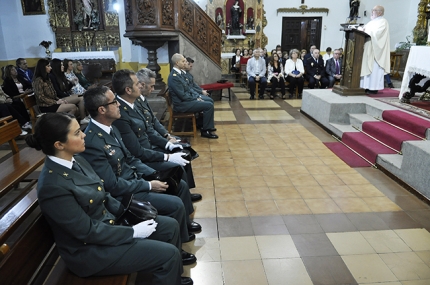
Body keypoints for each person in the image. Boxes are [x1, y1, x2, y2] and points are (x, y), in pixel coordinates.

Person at [25, 112, 192, 285]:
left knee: (170, 226)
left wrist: (130, 215)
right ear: (59, 144)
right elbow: (87, 232)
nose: (84, 134)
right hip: (90, 252)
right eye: (76, 133)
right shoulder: (53, 186)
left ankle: (171, 278)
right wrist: (132, 232)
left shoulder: (78, 160)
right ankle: (166, 272)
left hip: (109, 228)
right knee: (168, 255)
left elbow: (103, 195)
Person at [81, 86, 198, 265]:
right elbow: (113, 185)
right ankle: (175, 251)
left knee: (178, 183)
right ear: (102, 109)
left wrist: (153, 175)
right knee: (174, 204)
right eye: (114, 102)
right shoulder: (93, 141)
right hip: (125, 193)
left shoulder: (110, 128)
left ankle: (181, 235)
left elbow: (130, 158)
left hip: (135, 179)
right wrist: (149, 185)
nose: (118, 104)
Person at [111, 69, 200, 199]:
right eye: (137, 84)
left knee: (183, 152)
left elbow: (149, 128)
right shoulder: (122, 113)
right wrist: (167, 156)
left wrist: (167, 142)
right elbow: (137, 151)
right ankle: (182, 196)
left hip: (148, 148)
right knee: (177, 165)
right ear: (128, 90)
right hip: (143, 156)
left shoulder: (133, 104)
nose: (140, 86)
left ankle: (185, 194)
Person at [168, 54, 218, 139]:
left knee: (209, 102)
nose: (185, 63)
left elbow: (188, 88)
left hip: (186, 101)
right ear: (177, 63)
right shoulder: (174, 77)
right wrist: (196, 98)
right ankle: (205, 130)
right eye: (183, 61)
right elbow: (183, 95)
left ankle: (204, 125)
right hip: (181, 104)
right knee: (208, 105)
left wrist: (197, 96)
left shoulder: (179, 74)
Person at [358, 5, 390, 94]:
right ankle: (365, 86)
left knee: (374, 68)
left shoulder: (383, 22)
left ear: (380, 12)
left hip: (376, 50)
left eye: (374, 10)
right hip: (368, 47)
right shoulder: (372, 22)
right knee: (366, 67)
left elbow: (377, 34)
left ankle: (373, 87)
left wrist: (365, 31)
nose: (372, 12)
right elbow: (365, 29)